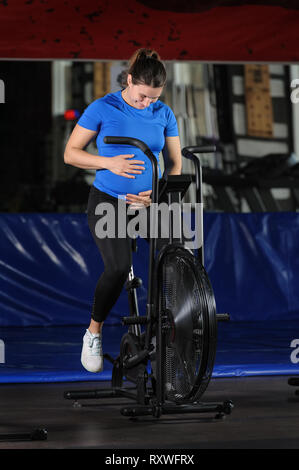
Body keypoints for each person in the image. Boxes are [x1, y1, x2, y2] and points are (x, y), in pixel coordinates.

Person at [64, 48, 182, 373]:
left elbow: (174, 164)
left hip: (147, 204)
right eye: (143, 96)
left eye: (154, 98)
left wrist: (156, 195)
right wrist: (108, 162)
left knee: (177, 252)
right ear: (129, 80)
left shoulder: (164, 113)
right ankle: (93, 332)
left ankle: (166, 328)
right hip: (109, 202)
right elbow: (71, 154)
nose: (148, 104)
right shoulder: (104, 107)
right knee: (117, 268)